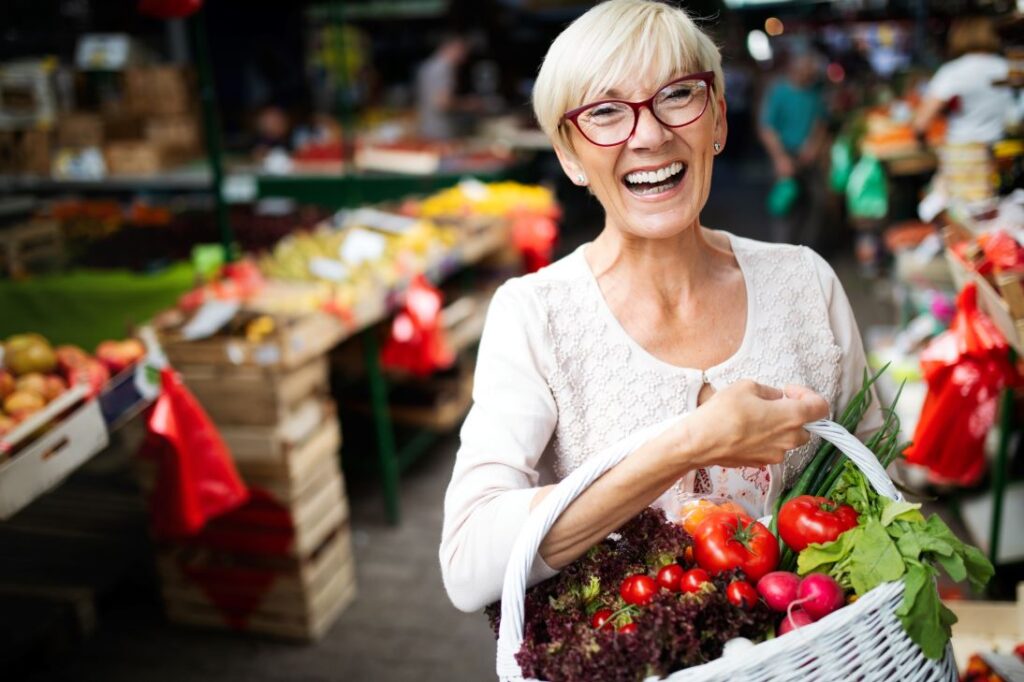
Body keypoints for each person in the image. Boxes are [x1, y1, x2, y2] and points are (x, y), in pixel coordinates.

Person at [440, 0, 881, 614]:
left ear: (718, 119)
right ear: (569, 155)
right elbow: (467, 563)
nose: (649, 135)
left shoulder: (807, 283)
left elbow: (878, 487)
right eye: (605, 112)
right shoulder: (534, 315)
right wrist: (687, 445)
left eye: (677, 96)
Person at [758, 49, 829, 248]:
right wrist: (780, 158)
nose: (809, 75)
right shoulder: (779, 91)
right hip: (785, 152)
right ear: (794, 69)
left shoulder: (815, 90)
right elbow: (767, 128)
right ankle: (783, 250)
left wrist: (814, 145)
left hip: (807, 156)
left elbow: (821, 121)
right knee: (785, 204)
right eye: (806, 70)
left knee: (816, 202)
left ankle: (809, 250)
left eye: (811, 71)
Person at [914, 17, 1015, 146]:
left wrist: (921, 139)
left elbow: (921, 121)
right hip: (1001, 148)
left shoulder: (953, 71)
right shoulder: (1007, 68)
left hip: (962, 151)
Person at [415, 34, 470, 140]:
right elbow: (443, 103)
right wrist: (468, 105)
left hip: (427, 128)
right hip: (441, 132)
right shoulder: (444, 68)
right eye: (463, 51)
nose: (464, 57)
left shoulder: (428, 65)